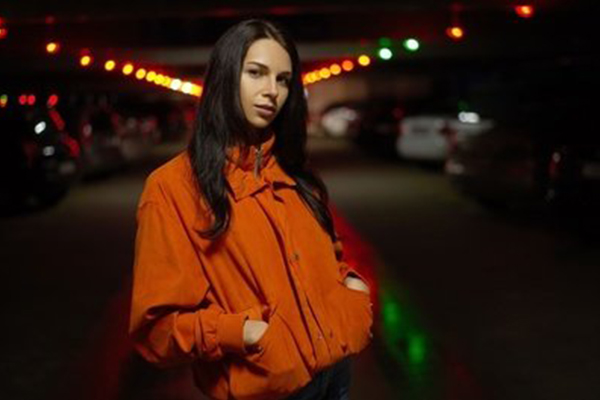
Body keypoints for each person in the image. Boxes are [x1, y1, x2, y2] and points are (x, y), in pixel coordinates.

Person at [129, 19, 373, 400]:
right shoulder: (172, 188)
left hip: (336, 375)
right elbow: (157, 331)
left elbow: (329, 260)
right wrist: (242, 333)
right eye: (256, 73)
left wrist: (352, 288)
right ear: (225, 77)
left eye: (283, 79)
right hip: (268, 389)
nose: (272, 91)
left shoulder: (294, 175)